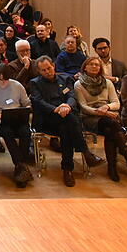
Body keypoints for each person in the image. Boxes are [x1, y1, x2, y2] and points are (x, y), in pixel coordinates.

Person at [29, 56, 104, 187]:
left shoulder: (65, 79)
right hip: (48, 120)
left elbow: (72, 96)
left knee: (66, 128)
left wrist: (67, 106)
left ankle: (67, 169)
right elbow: (39, 102)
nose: (47, 71)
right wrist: (57, 109)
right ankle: (86, 153)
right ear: (39, 72)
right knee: (69, 120)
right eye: (43, 70)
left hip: (66, 118)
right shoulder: (35, 83)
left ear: (54, 66)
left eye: (49, 68)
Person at [74, 57, 127, 181]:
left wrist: (106, 107)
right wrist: (104, 113)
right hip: (90, 117)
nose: (95, 67)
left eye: (97, 65)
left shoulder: (107, 82)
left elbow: (116, 103)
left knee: (110, 130)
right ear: (85, 67)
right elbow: (83, 107)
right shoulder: (78, 84)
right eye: (92, 64)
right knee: (112, 124)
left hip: (108, 115)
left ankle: (113, 167)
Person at [0, 64, 33, 187]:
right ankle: (21, 165)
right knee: (7, 133)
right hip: (0, 119)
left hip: (18, 117)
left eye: (5, 79)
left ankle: (20, 166)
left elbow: (27, 103)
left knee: (25, 132)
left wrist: (25, 110)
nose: (3, 83)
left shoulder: (17, 86)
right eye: (0, 80)